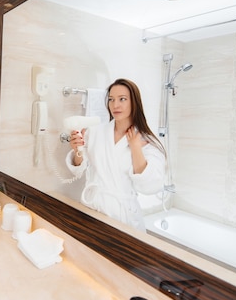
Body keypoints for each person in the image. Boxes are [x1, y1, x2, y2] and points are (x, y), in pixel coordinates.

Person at [65, 78, 165, 231]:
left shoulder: (146, 141)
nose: (115, 105)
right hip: (93, 209)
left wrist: (136, 148)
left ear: (134, 102)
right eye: (111, 99)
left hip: (123, 216)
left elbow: (150, 185)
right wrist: (77, 149)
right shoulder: (96, 132)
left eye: (122, 99)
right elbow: (79, 168)